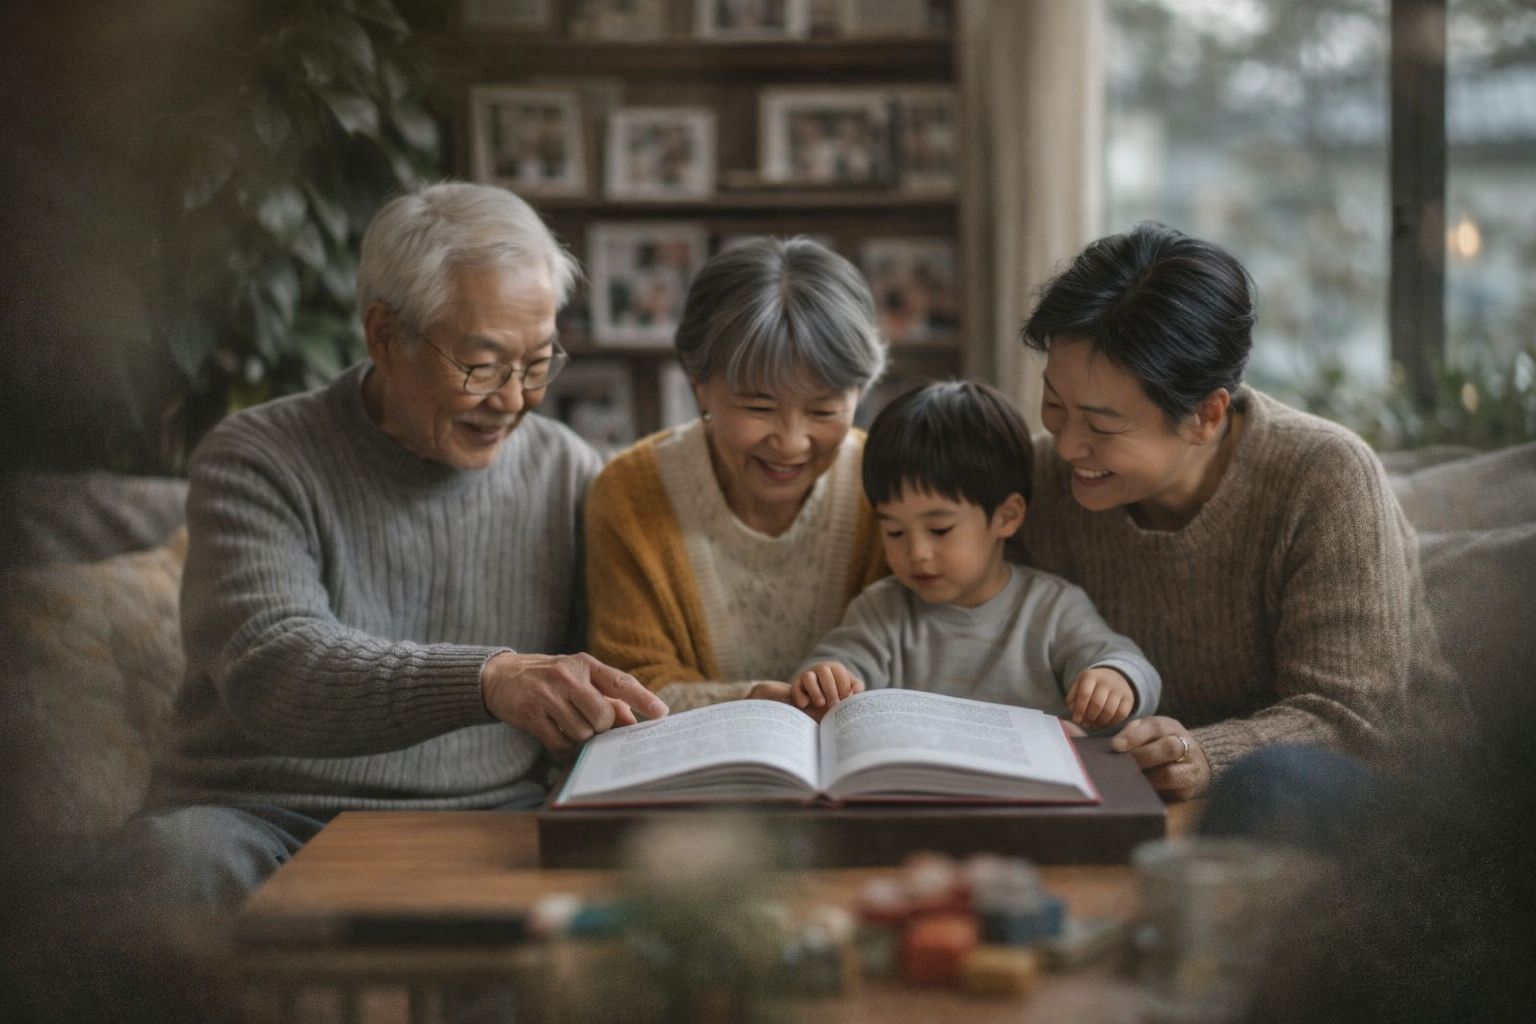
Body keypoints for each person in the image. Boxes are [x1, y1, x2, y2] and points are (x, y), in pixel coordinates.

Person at [105, 182, 666, 908]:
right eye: (483, 365)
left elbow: (611, 670)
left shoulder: (567, 471)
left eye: (536, 364)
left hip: (489, 821)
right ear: (383, 334)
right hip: (261, 816)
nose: (515, 400)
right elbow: (272, 667)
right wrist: (487, 679)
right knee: (173, 866)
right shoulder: (258, 455)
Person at [1018, 222, 1449, 801]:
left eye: (1100, 425)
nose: (1067, 445)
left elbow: (1354, 722)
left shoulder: (1324, 477)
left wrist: (1204, 756)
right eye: (1053, 403)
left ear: (1205, 415)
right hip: (1136, 805)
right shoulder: (1044, 478)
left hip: (1378, 817)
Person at [585, 237, 889, 703]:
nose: (791, 443)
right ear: (699, 387)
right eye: (758, 407)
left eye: (824, 411)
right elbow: (630, 681)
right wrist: (752, 701)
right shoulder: (630, 493)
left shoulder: (889, 488)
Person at [789, 381, 1161, 730]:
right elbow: (836, 666)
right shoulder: (882, 610)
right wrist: (824, 678)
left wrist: (1115, 679)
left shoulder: (1053, 608)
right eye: (895, 531)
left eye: (939, 530)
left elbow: (1126, 663)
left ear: (1006, 517)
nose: (916, 553)